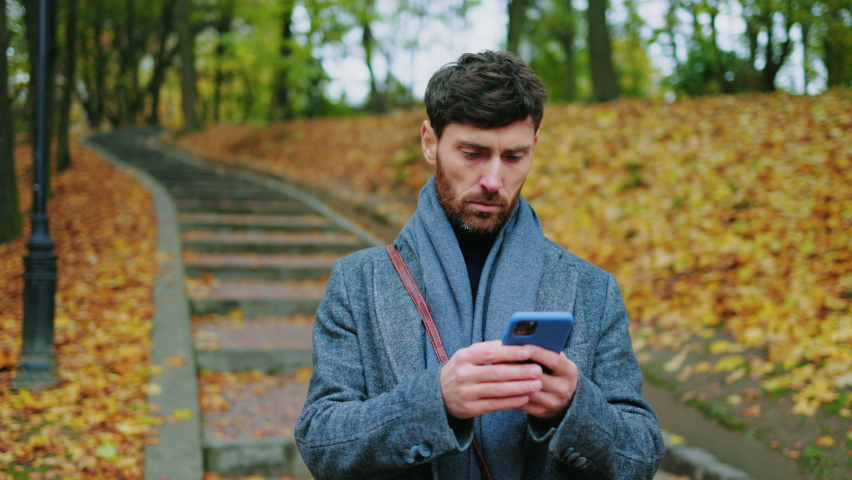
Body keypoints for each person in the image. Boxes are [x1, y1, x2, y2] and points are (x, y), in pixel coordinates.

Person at [295, 50, 665, 480]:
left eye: (514, 157)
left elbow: (642, 455)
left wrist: (574, 407)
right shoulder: (357, 282)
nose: (493, 180)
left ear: (534, 148)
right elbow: (320, 441)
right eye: (472, 153)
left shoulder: (592, 290)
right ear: (430, 142)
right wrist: (434, 402)